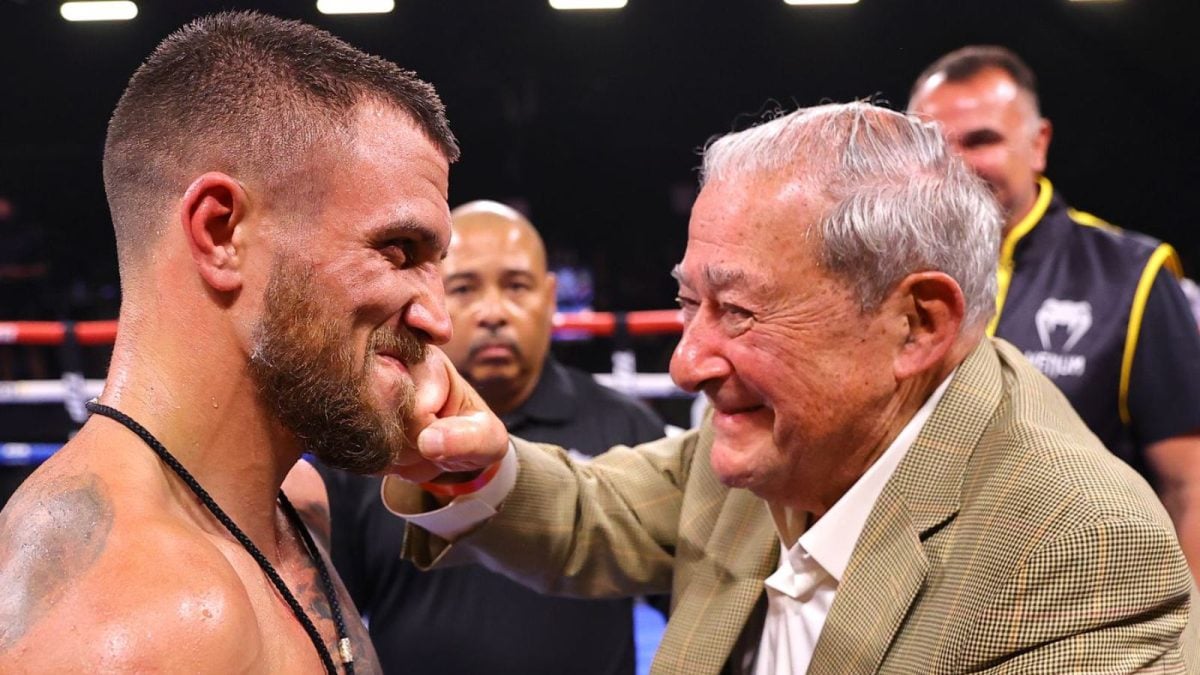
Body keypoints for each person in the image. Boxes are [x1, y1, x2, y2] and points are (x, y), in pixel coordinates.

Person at [381, 102, 1198, 673]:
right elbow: (601, 509)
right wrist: (469, 464)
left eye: (736, 310)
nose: (686, 362)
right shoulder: (786, 435)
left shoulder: (1080, 554)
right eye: (686, 300)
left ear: (916, 323)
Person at [0, 12, 462, 671]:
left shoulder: (282, 509)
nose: (439, 319)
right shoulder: (141, 621)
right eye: (398, 249)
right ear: (221, 233)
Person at [316, 200, 667, 675]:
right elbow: (328, 624)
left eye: (517, 286)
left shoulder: (627, 428)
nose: (493, 313)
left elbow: (699, 605)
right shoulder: (376, 444)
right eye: (464, 287)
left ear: (549, 296)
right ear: (431, 296)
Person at [908, 45, 1200, 578]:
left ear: (1037, 144)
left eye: (981, 140)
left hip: (1085, 604)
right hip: (910, 606)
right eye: (933, 147)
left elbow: (1191, 485)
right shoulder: (880, 277)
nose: (957, 168)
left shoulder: (1131, 273)